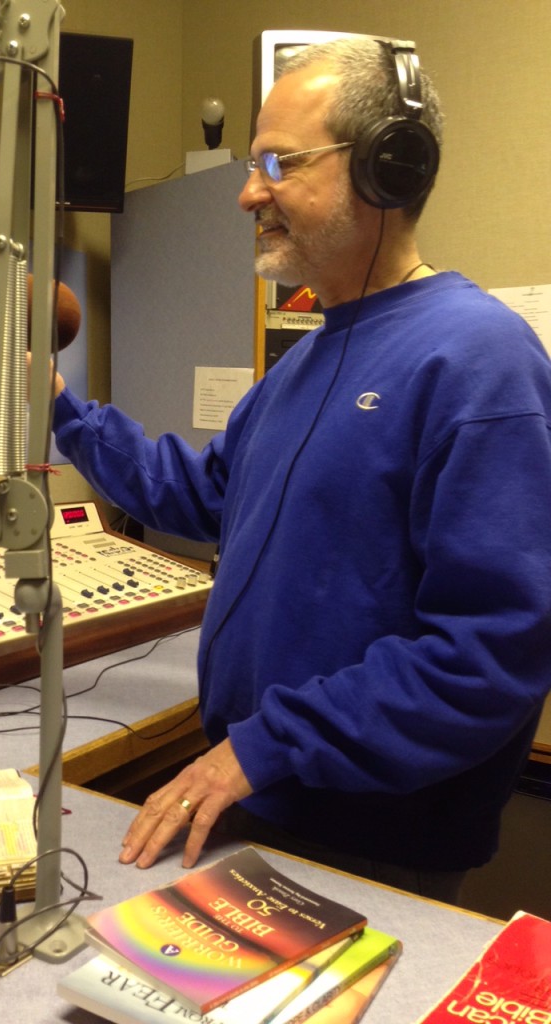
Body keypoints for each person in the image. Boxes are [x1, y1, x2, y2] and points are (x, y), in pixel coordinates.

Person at [50, 37, 551, 903]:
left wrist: (263, 744)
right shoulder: (305, 364)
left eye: (279, 163)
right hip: (272, 792)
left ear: (386, 169)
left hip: (375, 831)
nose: (249, 193)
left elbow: (489, 653)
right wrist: (58, 406)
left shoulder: (481, 362)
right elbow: (201, 494)